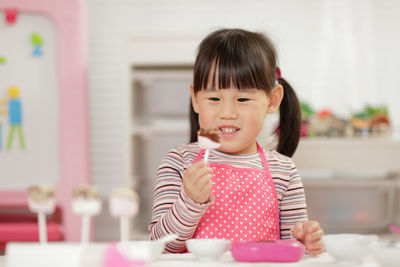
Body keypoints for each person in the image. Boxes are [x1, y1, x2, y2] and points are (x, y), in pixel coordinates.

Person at [149, 28, 324, 255]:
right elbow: (161, 246)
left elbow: (292, 249)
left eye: (242, 98)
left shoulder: (284, 171)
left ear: (272, 101)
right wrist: (190, 201)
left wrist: (304, 240)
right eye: (213, 98)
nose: (227, 113)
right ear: (195, 99)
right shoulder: (179, 163)